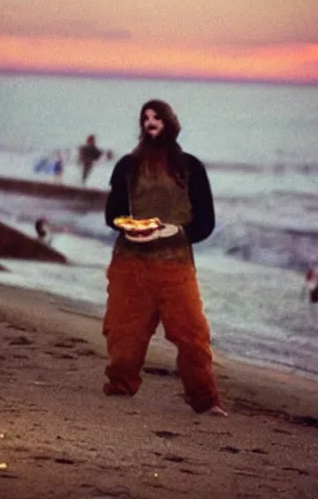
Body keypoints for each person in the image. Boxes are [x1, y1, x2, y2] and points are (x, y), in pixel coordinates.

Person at [102, 99, 227, 416]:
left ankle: (205, 400)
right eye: (145, 117)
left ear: (169, 122)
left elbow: (205, 223)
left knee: (192, 334)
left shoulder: (191, 167)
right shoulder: (127, 166)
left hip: (175, 264)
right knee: (123, 332)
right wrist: (129, 228)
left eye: (156, 117)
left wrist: (173, 231)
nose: (150, 122)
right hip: (130, 262)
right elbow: (112, 215)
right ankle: (120, 384)